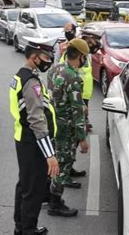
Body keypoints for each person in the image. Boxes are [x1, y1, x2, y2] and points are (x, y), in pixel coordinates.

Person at [9, 37, 60, 235]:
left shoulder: (21, 76)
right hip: (33, 142)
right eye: (45, 56)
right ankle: (28, 230)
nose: (49, 59)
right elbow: (37, 120)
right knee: (33, 189)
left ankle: (21, 226)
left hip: (24, 138)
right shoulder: (31, 82)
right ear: (33, 56)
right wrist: (50, 155)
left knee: (24, 185)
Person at [47, 38, 90, 217]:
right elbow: (77, 111)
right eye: (85, 58)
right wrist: (82, 138)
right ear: (79, 56)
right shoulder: (74, 78)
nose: (85, 61)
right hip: (67, 129)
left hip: (54, 124)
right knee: (62, 167)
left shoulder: (55, 69)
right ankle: (55, 204)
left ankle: (49, 196)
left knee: (58, 160)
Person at [56, 26, 103, 186]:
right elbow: (75, 112)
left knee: (66, 149)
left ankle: (68, 169)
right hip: (71, 107)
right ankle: (62, 180)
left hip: (79, 99)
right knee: (66, 149)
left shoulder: (59, 68)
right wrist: (83, 138)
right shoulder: (71, 69)